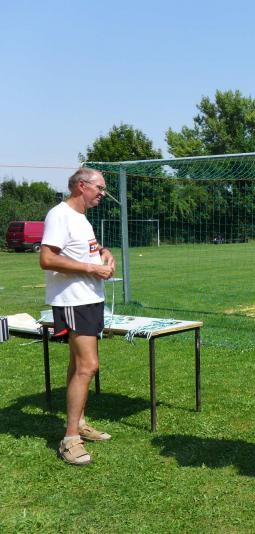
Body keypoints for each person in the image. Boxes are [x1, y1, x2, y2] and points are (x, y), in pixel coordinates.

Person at [39, 168, 116, 465]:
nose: (103, 194)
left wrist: (104, 254)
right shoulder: (60, 214)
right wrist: (92, 268)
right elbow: (47, 258)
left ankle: (80, 423)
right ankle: (70, 439)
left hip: (89, 299)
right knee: (88, 366)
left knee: (77, 365)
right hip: (74, 301)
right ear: (81, 186)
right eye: (100, 188)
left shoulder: (81, 217)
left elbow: (83, 251)